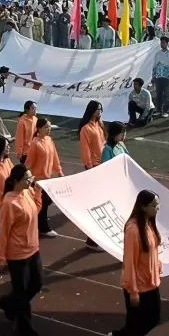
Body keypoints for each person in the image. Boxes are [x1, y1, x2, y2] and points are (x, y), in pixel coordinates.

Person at [110, 189, 163, 336]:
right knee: (139, 324)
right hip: (138, 286)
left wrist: (157, 264)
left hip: (151, 282)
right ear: (143, 207)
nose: (157, 208)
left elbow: (151, 249)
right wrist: (133, 291)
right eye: (154, 205)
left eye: (158, 204)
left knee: (150, 319)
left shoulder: (148, 223)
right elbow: (129, 262)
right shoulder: (133, 229)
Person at [0, 164, 43, 336]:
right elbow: (4, 232)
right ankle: (24, 326)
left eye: (31, 177)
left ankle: (8, 303)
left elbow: (35, 211)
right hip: (17, 254)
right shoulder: (9, 203)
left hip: (33, 248)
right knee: (21, 291)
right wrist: (1, 257)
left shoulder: (27, 192)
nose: (30, 181)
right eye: (27, 178)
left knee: (36, 284)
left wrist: (37, 193)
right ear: (16, 181)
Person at [26, 117, 62, 238]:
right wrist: (27, 178)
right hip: (38, 180)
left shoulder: (49, 140)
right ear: (39, 128)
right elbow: (29, 163)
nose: (49, 129)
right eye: (46, 127)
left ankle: (35, 220)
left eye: (49, 126)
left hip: (47, 178)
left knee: (46, 201)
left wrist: (59, 171)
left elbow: (55, 157)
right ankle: (43, 228)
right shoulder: (35, 143)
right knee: (43, 203)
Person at [77, 101, 105, 251]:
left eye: (101, 109)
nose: (99, 112)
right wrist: (89, 167)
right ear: (91, 110)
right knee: (95, 203)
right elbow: (85, 149)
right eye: (97, 109)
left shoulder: (99, 124)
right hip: (93, 166)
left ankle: (95, 237)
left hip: (102, 165)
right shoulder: (86, 129)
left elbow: (103, 143)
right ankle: (91, 240)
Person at [152, 36, 169, 118]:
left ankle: (165, 111)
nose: (162, 44)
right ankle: (158, 110)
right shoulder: (157, 53)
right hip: (158, 76)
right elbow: (154, 65)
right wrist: (153, 75)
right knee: (158, 94)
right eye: (161, 43)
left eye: (163, 43)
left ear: (167, 43)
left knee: (166, 94)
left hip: (167, 76)